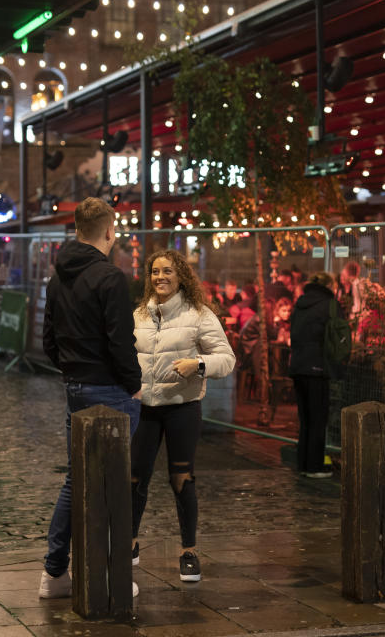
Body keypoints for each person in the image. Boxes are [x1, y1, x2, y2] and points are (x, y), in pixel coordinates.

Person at [39, 197, 142, 600]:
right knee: (113, 483)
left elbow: (49, 340)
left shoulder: (57, 278)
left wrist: (72, 369)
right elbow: (121, 341)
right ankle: (111, 575)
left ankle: (54, 573)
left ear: (77, 229)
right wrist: (132, 383)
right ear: (110, 232)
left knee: (76, 479)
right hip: (110, 390)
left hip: (75, 386)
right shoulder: (110, 278)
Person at [130, 249, 235, 584]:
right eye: (155, 271)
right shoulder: (138, 316)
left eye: (168, 271)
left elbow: (226, 359)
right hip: (145, 409)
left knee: (182, 479)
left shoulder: (199, 315)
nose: (160, 277)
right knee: (134, 479)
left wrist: (198, 365)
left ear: (181, 276)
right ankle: (128, 544)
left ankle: (188, 551)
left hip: (182, 408)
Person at [289, 271, 342, 477]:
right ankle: (315, 466)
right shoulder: (329, 304)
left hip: (298, 365)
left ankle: (303, 463)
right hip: (318, 365)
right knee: (319, 417)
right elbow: (337, 333)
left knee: (305, 418)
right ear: (330, 285)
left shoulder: (301, 303)